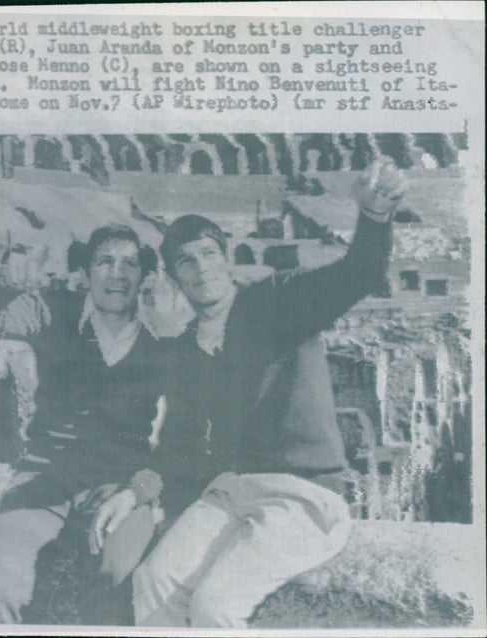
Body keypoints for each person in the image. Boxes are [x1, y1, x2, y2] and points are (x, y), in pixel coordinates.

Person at [94, 159, 406, 627]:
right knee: (152, 583)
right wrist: (135, 492)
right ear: (176, 278)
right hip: (228, 494)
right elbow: (177, 448)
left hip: (300, 495)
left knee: (215, 606)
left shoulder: (276, 302)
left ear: (226, 258)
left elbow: (357, 274)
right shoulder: (185, 352)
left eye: (208, 254)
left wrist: (375, 218)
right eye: (186, 261)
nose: (200, 269)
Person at [0, 225, 168, 624]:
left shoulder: (163, 333)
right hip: (43, 475)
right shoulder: (52, 308)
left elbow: (186, 429)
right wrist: (5, 282)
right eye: (105, 262)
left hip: (119, 480)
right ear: (86, 273)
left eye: (129, 264)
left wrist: (140, 490)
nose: (116, 274)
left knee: (118, 576)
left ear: (144, 276)